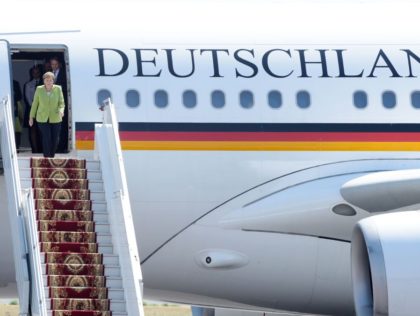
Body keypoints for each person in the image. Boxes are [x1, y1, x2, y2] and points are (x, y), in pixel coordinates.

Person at [29, 72, 65, 158]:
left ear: (53, 81)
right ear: (44, 81)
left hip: (56, 117)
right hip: (42, 118)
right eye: (47, 80)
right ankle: (47, 157)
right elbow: (35, 104)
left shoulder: (58, 89)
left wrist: (61, 110)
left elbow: (61, 103)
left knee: (55, 139)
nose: (48, 82)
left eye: (50, 80)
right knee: (47, 137)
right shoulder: (39, 89)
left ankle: (51, 156)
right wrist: (31, 117)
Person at [50, 56, 68, 153]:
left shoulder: (65, 74)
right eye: (52, 64)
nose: (54, 66)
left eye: (56, 64)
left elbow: (66, 87)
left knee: (62, 125)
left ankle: (62, 147)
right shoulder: (49, 74)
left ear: (59, 64)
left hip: (61, 103)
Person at [23, 64, 43, 153]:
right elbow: (28, 99)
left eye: (37, 72)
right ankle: (35, 150)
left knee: (42, 131)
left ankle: (42, 149)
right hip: (32, 110)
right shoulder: (28, 84)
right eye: (34, 73)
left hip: (43, 111)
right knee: (33, 130)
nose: (36, 74)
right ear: (31, 73)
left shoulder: (44, 84)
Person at [13, 80, 24, 150]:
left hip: (15, 109)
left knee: (17, 131)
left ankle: (16, 148)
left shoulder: (15, 83)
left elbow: (19, 96)